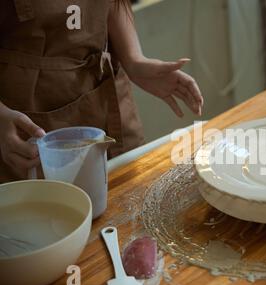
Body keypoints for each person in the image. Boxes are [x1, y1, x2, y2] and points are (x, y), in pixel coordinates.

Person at [0, 0, 204, 183]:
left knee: (131, 191)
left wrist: (133, 59)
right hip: (28, 116)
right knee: (51, 214)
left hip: (107, 96)